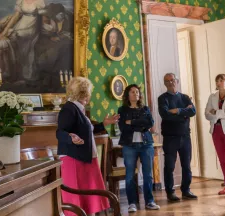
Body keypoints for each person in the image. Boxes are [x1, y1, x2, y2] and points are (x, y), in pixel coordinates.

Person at [56, 77, 120, 216]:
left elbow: (87, 130)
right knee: (77, 197)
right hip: (74, 159)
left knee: (87, 196)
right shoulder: (69, 108)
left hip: (84, 158)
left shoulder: (79, 109)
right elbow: (60, 132)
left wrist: (104, 124)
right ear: (84, 93)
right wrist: (70, 138)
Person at [0, 0, 46, 82]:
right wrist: (5, 31)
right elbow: (16, 16)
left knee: (12, 37)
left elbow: (43, 19)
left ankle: (9, 72)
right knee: (0, 39)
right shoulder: (21, 1)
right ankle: (3, 71)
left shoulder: (39, 2)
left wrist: (43, 31)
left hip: (31, 27)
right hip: (20, 25)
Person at [118, 84, 160, 212]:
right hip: (129, 145)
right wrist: (140, 123)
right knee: (130, 174)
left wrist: (132, 122)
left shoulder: (145, 108)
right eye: (132, 92)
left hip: (146, 144)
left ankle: (150, 201)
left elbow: (150, 123)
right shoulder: (123, 110)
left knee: (148, 174)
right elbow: (123, 127)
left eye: (137, 92)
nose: (135, 94)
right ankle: (132, 203)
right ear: (127, 95)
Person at [158, 73, 198, 202]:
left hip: (185, 136)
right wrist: (184, 112)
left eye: (172, 80)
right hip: (170, 138)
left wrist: (177, 111)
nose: (170, 82)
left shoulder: (185, 97)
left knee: (186, 165)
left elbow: (193, 111)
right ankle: (170, 192)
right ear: (165, 83)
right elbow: (165, 115)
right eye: (167, 81)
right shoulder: (162, 99)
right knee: (169, 166)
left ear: (177, 81)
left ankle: (186, 190)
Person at [205, 74, 225, 195]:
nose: (219, 82)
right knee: (223, 159)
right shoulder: (212, 97)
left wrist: (216, 112)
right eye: (217, 80)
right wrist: (219, 114)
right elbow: (206, 114)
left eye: (221, 80)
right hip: (216, 130)